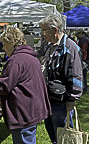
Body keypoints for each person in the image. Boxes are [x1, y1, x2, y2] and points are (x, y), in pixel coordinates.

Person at [0, 26, 51, 144]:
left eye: (4, 44)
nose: (3, 48)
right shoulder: (30, 56)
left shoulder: (16, 60)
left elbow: (3, 87)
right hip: (32, 109)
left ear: (11, 42)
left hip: (24, 111)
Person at [39, 14, 83, 144]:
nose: (43, 34)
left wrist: (72, 99)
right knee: (53, 135)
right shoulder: (49, 46)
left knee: (63, 135)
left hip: (61, 101)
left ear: (55, 29)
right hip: (48, 98)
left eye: (45, 30)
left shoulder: (69, 47)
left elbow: (76, 76)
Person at [76, 29, 89, 93]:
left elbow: (84, 50)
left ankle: (84, 88)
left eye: (78, 34)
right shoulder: (83, 39)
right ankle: (84, 88)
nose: (77, 35)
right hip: (84, 59)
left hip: (85, 59)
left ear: (81, 33)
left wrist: (83, 60)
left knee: (83, 74)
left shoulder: (84, 39)